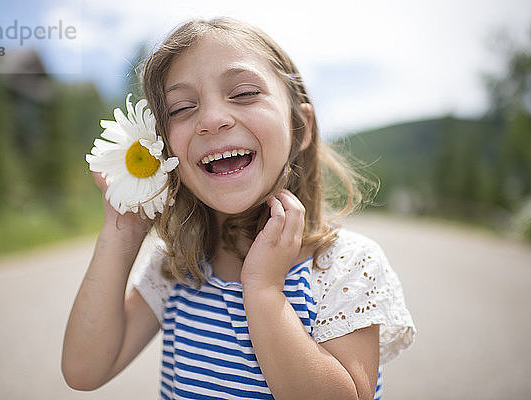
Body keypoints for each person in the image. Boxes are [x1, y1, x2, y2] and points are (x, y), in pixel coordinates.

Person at [62, 17, 415, 400]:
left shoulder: (345, 264)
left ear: (300, 127)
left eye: (244, 93)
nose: (212, 120)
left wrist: (263, 291)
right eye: (181, 108)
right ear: (163, 147)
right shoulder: (179, 266)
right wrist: (123, 232)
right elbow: (84, 370)